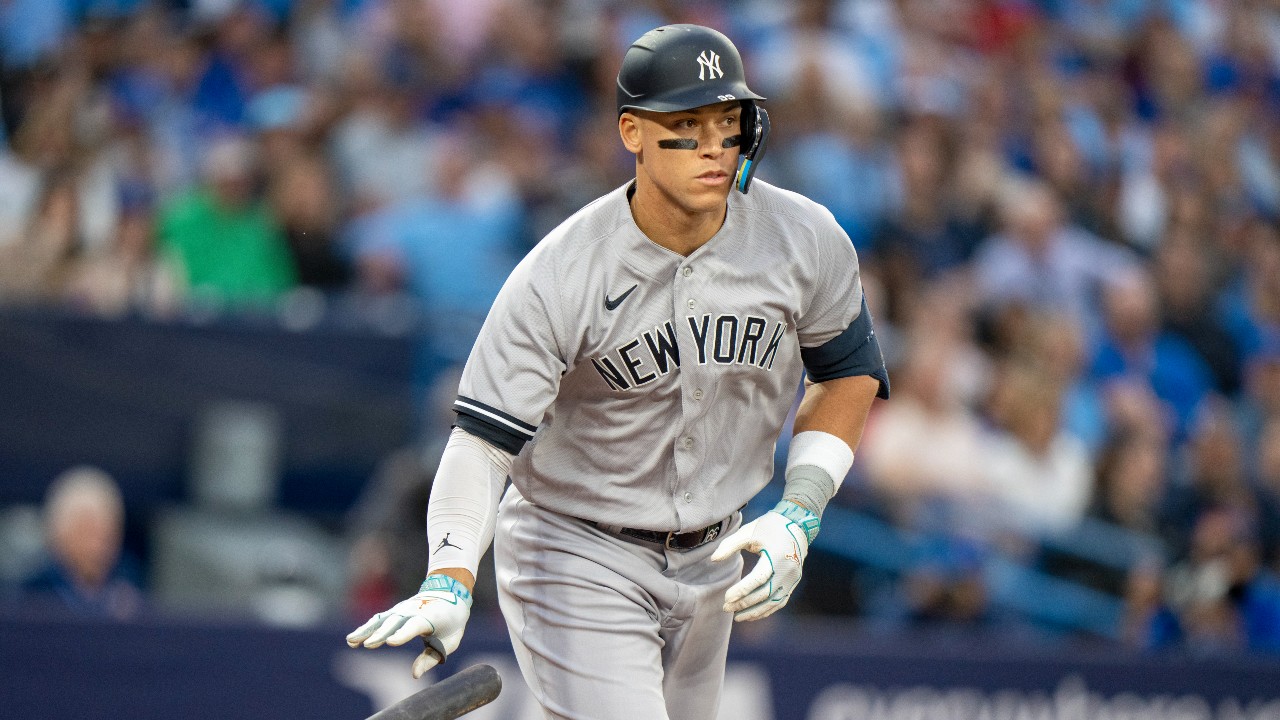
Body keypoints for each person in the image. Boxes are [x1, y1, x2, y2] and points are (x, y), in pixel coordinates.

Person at [345, 24, 889, 720]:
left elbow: (847, 371)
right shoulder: (562, 271)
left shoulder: (804, 238)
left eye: (727, 122)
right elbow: (482, 441)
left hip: (715, 553)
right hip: (577, 544)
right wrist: (450, 577)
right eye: (686, 125)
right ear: (632, 132)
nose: (713, 146)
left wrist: (800, 512)